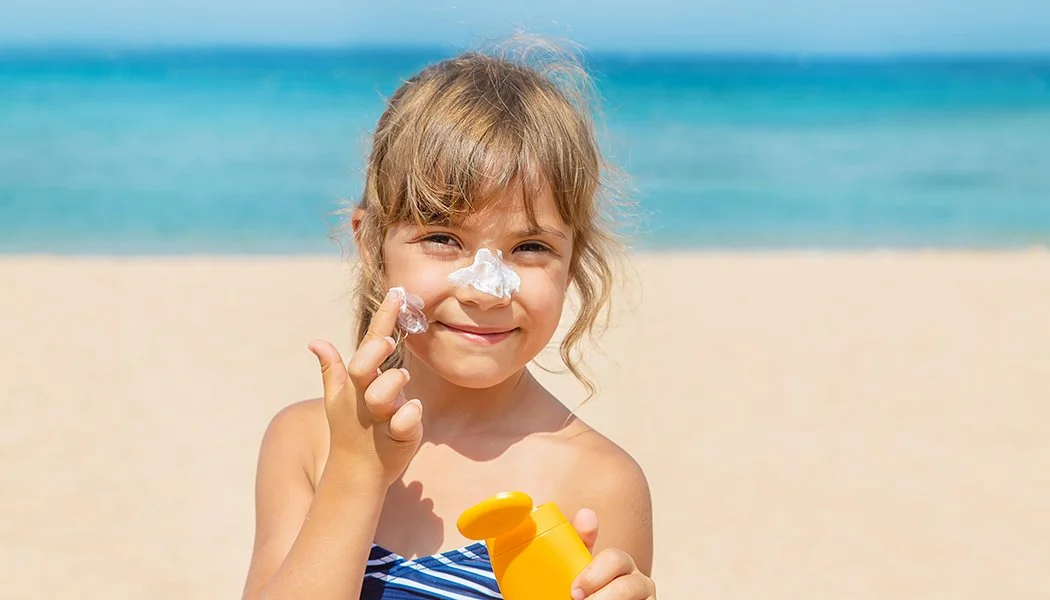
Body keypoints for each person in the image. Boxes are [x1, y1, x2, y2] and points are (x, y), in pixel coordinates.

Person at [242, 38, 657, 600]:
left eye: (531, 247)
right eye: (443, 239)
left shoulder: (598, 481)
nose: (486, 289)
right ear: (370, 246)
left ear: (572, 263)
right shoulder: (309, 442)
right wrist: (355, 475)